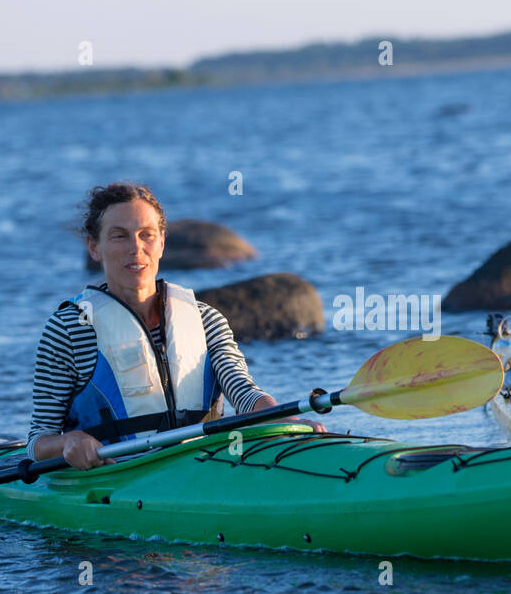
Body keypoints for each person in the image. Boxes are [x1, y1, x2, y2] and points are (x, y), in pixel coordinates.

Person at [28, 182, 322, 470]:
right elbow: (38, 440)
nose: (136, 248)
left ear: (162, 242)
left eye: (147, 235)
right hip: (117, 474)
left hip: (205, 464)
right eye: (119, 236)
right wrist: (70, 443)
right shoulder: (69, 328)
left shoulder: (207, 319)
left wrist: (287, 422)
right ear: (94, 247)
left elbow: (244, 393)